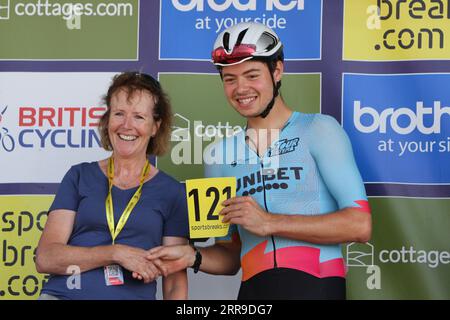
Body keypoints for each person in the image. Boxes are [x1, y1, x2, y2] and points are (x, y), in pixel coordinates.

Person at [147, 22, 372, 300]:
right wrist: (192, 256)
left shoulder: (319, 130)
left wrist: (269, 222)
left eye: (252, 75)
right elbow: (230, 257)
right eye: (230, 79)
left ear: (277, 71)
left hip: (317, 287)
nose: (241, 88)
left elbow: (360, 225)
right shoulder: (219, 155)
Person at [35, 72, 189, 300]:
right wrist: (116, 253)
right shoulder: (79, 175)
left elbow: (174, 283)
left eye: (139, 117)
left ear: (155, 126)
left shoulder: (172, 192)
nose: (127, 126)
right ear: (108, 120)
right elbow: (46, 258)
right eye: (119, 114)